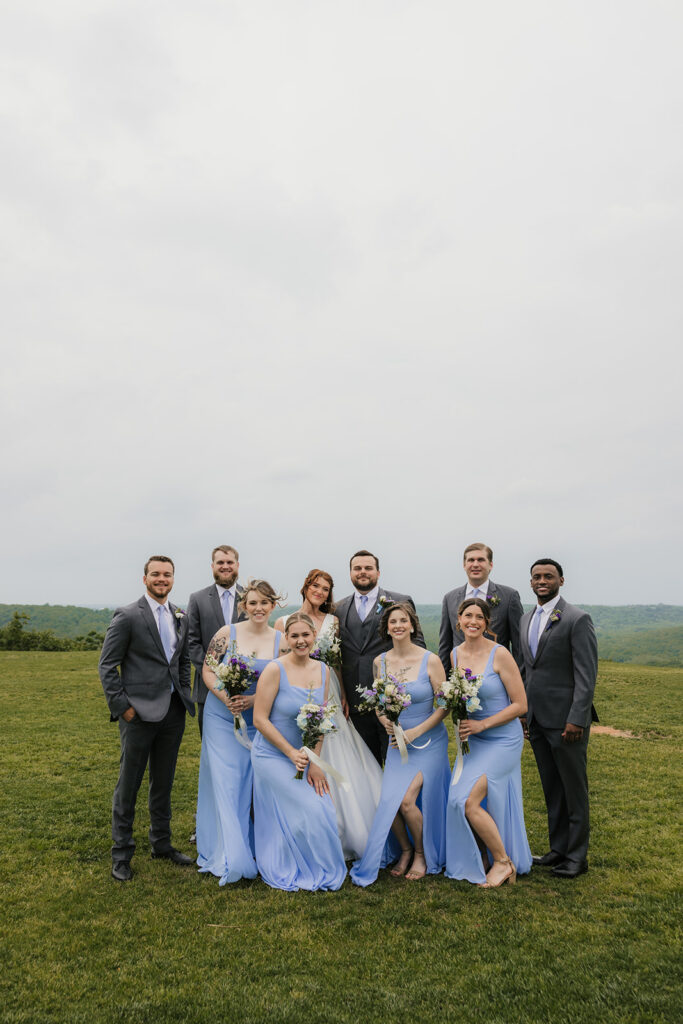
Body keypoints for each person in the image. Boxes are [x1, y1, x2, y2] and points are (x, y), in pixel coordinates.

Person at [98, 555, 195, 882]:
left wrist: (183, 691)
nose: (161, 579)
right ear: (145, 578)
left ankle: (161, 843)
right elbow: (107, 666)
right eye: (156, 574)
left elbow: (181, 660)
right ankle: (122, 853)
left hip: (173, 711)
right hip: (137, 713)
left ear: (172, 578)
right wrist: (123, 707)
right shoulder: (127, 616)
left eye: (167, 574)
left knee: (163, 782)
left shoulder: (179, 614)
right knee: (129, 784)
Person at [275, 569, 383, 860]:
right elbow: (279, 663)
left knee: (335, 745)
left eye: (325, 588)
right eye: (315, 585)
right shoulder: (283, 622)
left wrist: (344, 695)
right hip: (295, 689)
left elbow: (337, 662)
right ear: (305, 587)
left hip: (328, 688)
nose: (319, 591)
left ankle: (345, 827)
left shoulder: (333, 622)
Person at [350, 603, 450, 887]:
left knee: (407, 801)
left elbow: (444, 705)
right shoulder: (379, 662)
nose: (398, 625)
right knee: (389, 802)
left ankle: (420, 853)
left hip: (428, 740)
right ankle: (404, 850)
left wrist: (416, 731)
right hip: (397, 742)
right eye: (392, 621)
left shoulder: (430, 660)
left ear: (412, 625)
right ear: (387, 628)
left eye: (403, 620)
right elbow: (379, 704)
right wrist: (385, 722)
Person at [195, 579, 283, 885]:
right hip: (221, 717)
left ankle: (258, 847)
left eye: (264, 603)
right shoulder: (225, 634)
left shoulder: (280, 641)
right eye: (252, 603)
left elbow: (286, 680)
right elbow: (207, 669)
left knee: (256, 782)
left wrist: (253, 700)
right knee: (227, 781)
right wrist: (226, 697)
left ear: (273, 605)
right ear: (243, 606)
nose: (258, 609)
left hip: (260, 718)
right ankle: (229, 852)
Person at [251, 613, 347, 891]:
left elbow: (321, 719)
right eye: (294, 636)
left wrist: (314, 761)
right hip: (272, 755)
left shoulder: (324, 671)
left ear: (314, 638)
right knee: (308, 807)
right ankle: (288, 861)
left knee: (322, 807)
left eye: (306, 635)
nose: (301, 641)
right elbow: (260, 720)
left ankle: (320, 864)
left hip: (305, 757)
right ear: (286, 639)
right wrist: (292, 753)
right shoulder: (274, 669)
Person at [444, 598, 532, 887]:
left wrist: (483, 723)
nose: (473, 621)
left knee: (470, 802)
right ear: (459, 620)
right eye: (467, 615)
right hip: (474, 742)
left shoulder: (500, 654)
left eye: (479, 617)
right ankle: (479, 854)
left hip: (503, 739)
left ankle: (503, 862)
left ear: (486, 623)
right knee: (456, 800)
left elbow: (520, 705)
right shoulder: (455, 655)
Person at [520, 559, 598, 879]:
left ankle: (577, 857)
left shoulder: (576, 619)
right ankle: (558, 849)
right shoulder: (526, 619)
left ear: (561, 581)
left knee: (573, 790)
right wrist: (525, 713)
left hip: (567, 721)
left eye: (548, 576)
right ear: (531, 582)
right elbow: (529, 670)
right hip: (537, 720)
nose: (542, 581)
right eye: (536, 576)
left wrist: (577, 718)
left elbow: (586, 675)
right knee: (552, 788)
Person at [335, 550, 425, 764]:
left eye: (368, 568)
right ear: (350, 573)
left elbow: (418, 643)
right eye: (357, 568)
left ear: (378, 572)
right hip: (355, 704)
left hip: (393, 702)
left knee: (398, 762)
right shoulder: (338, 608)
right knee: (365, 768)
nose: (363, 572)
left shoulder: (400, 601)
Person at [439, 543, 524, 675]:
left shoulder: (509, 597)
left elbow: (519, 646)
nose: (475, 564)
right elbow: (445, 645)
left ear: (491, 565)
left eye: (481, 560)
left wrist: (520, 679)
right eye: (471, 560)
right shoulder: (449, 598)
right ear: (464, 565)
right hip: (460, 680)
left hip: (497, 676)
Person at [187, 545, 246, 737]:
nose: (225, 566)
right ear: (212, 566)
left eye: (230, 562)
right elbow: (192, 642)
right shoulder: (198, 599)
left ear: (237, 565)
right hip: (208, 689)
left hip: (245, 689)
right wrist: (214, 672)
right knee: (211, 746)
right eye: (220, 562)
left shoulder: (251, 598)